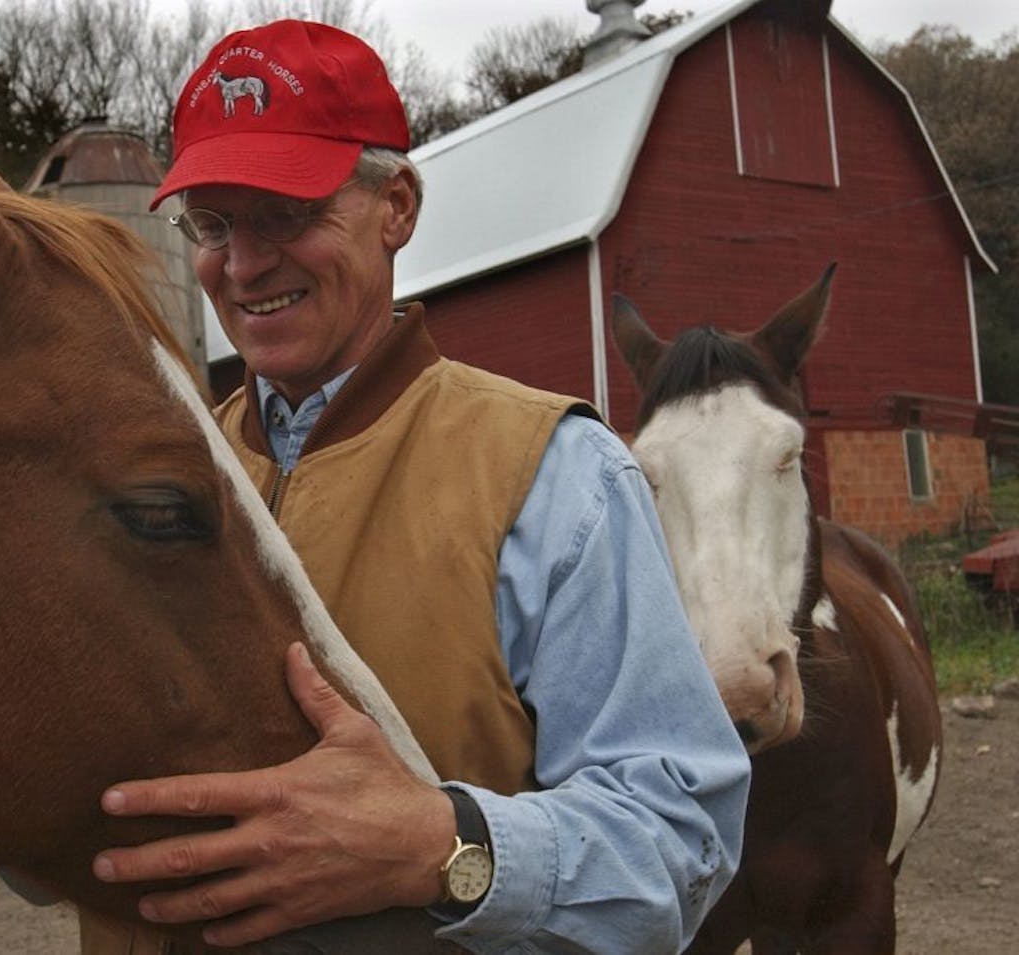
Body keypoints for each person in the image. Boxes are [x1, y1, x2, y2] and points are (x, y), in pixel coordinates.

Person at [82, 19, 751, 955]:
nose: (241, 265)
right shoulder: (145, 475)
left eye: (283, 214)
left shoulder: (555, 476)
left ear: (395, 206)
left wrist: (443, 846)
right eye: (212, 223)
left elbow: (683, 843)